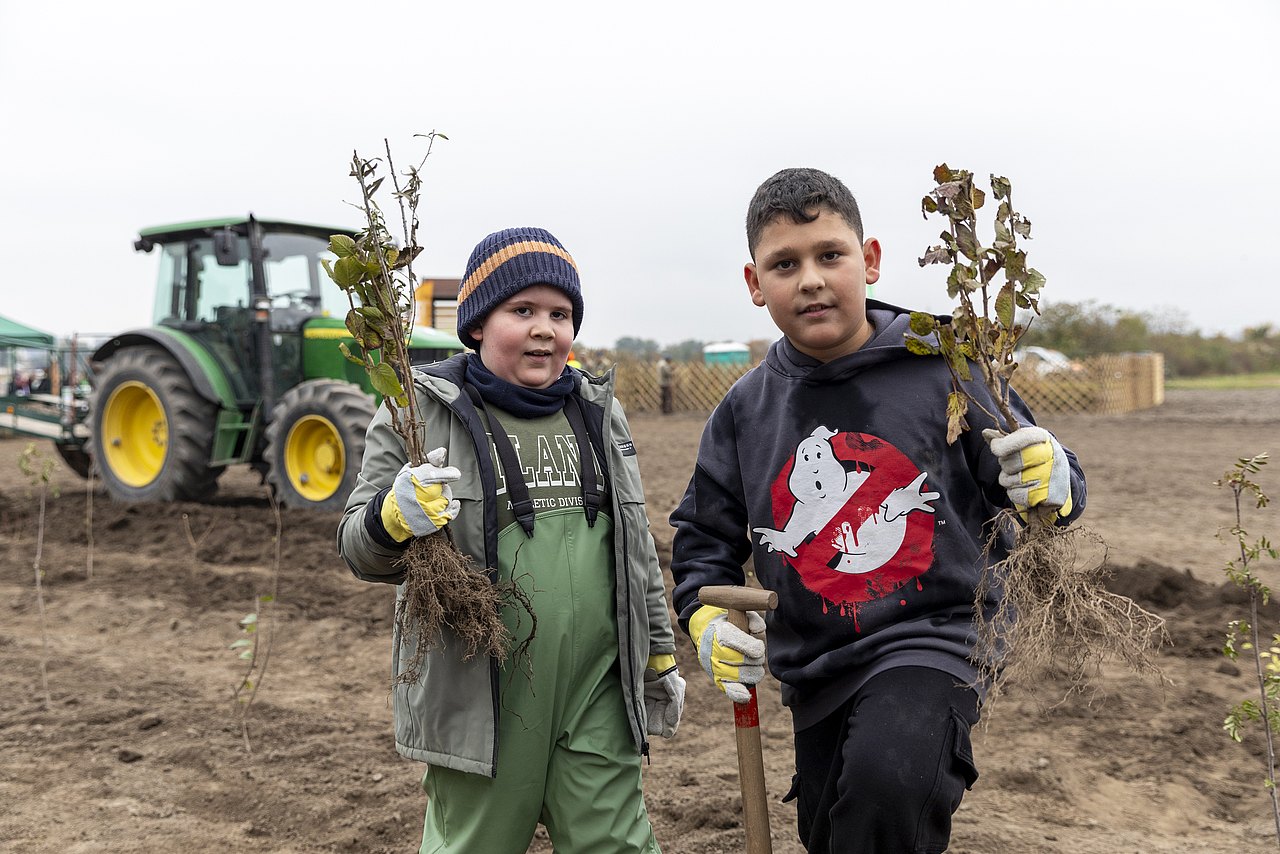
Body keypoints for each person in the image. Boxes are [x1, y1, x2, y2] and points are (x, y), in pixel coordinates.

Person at [668, 168, 1087, 853]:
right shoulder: (744, 412)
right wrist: (706, 613)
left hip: (938, 638)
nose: (810, 279)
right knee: (837, 831)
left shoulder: (946, 369)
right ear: (754, 284)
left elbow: (1045, 495)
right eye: (785, 264)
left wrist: (1053, 479)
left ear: (869, 260)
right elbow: (701, 543)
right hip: (817, 664)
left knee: (886, 787)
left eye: (829, 255)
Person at [338, 226, 684, 854]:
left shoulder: (597, 411)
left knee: (619, 844)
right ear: (475, 323)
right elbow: (357, 549)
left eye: (560, 313)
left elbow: (634, 546)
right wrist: (392, 519)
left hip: (595, 689)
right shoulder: (420, 415)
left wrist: (658, 651)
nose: (544, 328)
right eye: (521, 310)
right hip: (486, 697)